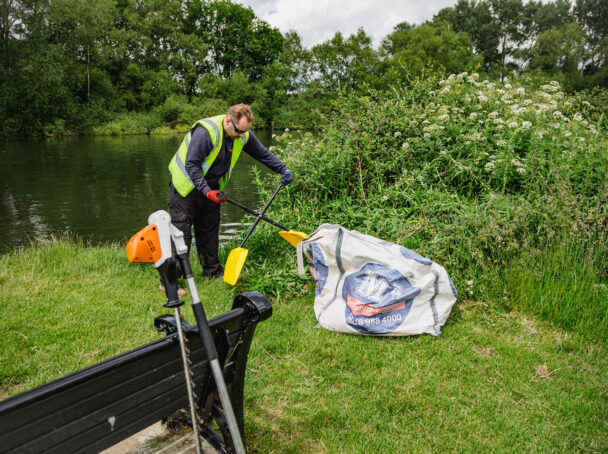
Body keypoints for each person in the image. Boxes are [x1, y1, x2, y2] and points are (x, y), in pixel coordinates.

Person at [167, 104, 292, 287]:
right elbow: (192, 165)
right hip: (185, 185)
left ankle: (212, 271)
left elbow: (262, 154)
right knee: (181, 232)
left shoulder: (243, 133)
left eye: (244, 132)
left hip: (211, 187)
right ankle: (171, 281)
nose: (242, 136)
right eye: (239, 131)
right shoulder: (206, 133)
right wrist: (206, 191)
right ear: (227, 121)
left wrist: (283, 169)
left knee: (209, 229)